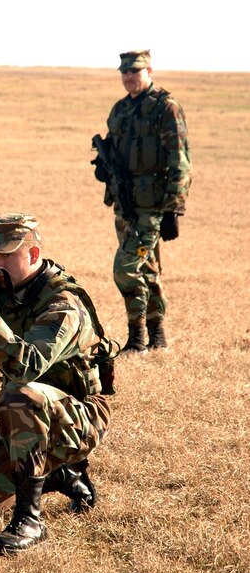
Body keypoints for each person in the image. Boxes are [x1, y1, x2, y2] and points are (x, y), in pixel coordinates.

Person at [0, 214, 112, 554]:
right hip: (29, 419)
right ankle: (60, 477)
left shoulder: (63, 304)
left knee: (17, 395)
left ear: (33, 255)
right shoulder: (4, 289)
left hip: (79, 418)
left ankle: (29, 519)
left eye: (8, 255)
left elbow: (26, 367)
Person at [92, 49, 192, 353]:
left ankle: (136, 339)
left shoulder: (166, 108)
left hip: (153, 206)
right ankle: (157, 337)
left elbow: (181, 161)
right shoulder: (120, 110)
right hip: (125, 204)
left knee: (125, 267)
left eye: (134, 71)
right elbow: (117, 155)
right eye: (124, 72)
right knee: (146, 269)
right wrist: (103, 167)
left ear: (149, 71)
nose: (128, 77)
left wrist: (175, 208)